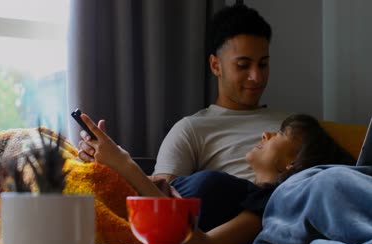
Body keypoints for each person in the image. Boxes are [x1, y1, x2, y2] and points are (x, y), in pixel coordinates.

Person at [77, 111, 355, 244]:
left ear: (293, 163)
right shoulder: (244, 188)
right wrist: (108, 162)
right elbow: (148, 185)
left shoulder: (271, 204)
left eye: (280, 134)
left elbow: (201, 243)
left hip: (129, 223)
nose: (265, 135)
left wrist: (125, 165)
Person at [77, 3, 288, 183]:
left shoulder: (293, 125)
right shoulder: (192, 130)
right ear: (216, 66)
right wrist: (112, 167)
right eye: (243, 65)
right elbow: (161, 196)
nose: (257, 77)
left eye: (263, 64)